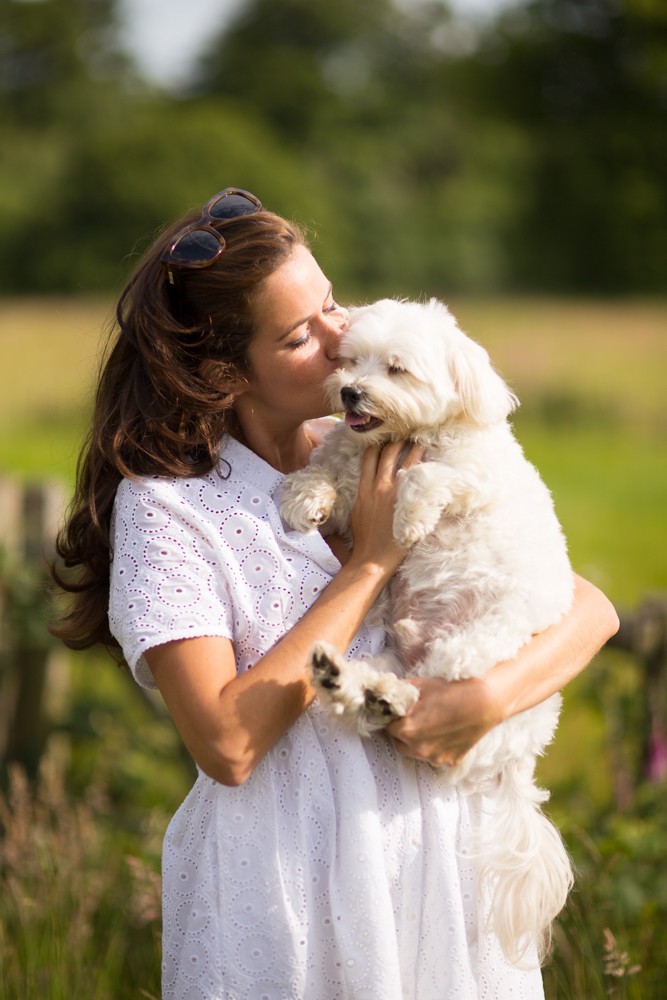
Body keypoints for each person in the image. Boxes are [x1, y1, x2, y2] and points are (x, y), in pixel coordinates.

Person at [53, 187, 619, 999]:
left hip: (438, 866)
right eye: (297, 336)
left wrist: (486, 698)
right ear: (222, 371)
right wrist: (369, 565)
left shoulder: (377, 439)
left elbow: (587, 610)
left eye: (329, 306)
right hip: (290, 885)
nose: (338, 339)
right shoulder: (170, 509)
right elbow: (225, 744)